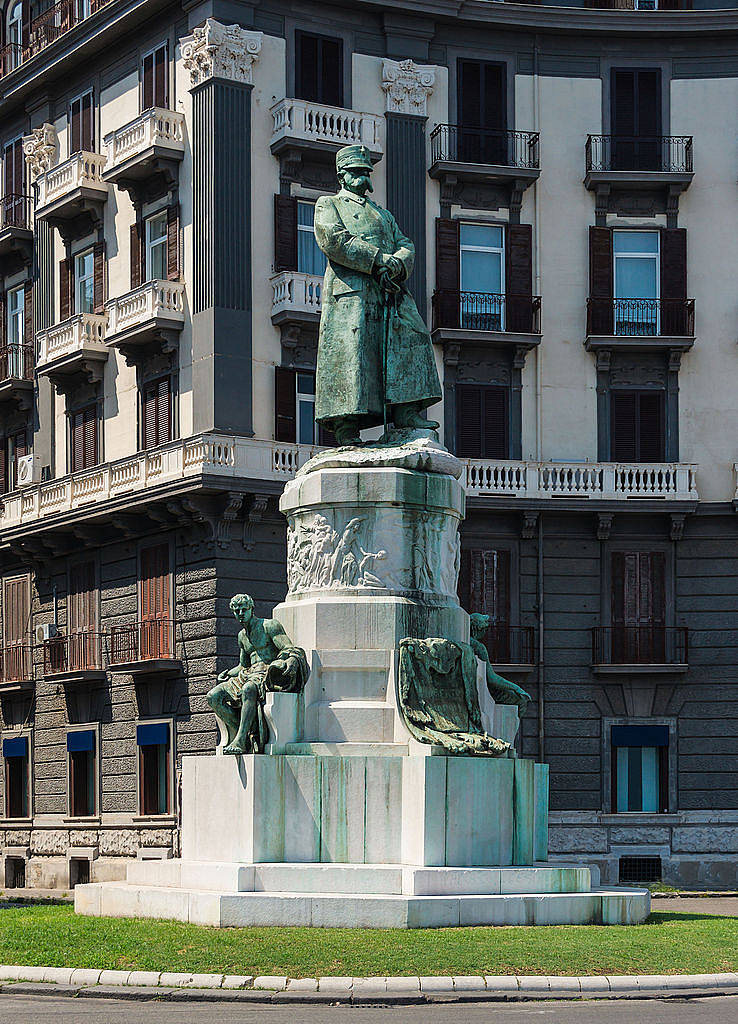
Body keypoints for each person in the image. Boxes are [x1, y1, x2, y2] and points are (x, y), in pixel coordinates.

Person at [313, 144, 442, 446]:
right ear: (341, 175)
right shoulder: (328, 204)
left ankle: (406, 412)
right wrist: (377, 259)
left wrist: (397, 261)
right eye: (356, 173)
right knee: (352, 357)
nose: (362, 179)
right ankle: (347, 427)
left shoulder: (382, 213)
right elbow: (333, 239)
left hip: (389, 291)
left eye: (365, 173)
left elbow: (405, 243)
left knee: (414, 336)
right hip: (352, 295)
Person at [206, 594, 308, 755]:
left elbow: (288, 648)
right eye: (237, 611)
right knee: (213, 696)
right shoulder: (242, 636)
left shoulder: (269, 626)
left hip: (266, 672)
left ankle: (240, 740)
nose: (241, 614)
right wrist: (227, 674)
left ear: (252, 609)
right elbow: (243, 665)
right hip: (248, 673)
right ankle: (247, 730)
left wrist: (290, 660)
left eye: (244, 610)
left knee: (248, 689)